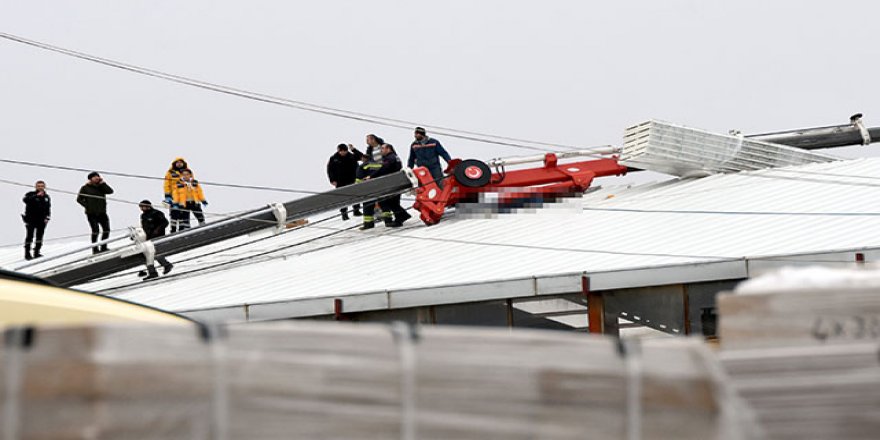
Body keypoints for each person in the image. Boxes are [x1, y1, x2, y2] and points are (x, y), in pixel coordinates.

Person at [369, 144, 412, 227]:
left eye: (382, 148)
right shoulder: (394, 157)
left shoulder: (390, 158)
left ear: (388, 149)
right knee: (393, 202)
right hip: (396, 182)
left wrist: (372, 176)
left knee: (391, 202)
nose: (381, 150)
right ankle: (400, 218)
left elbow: (384, 169)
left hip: (393, 183)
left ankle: (402, 216)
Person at [76, 172, 114, 254]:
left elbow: (110, 191)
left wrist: (103, 183)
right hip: (91, 213)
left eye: (98, 176)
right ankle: (95, 249)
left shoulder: (101, 186)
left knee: (106, 230)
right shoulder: (85, 188)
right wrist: (87, 206)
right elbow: (79, 199)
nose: (97, 178)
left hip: (102, 212)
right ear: (90, 179)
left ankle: (104, 247)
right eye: (94, 177)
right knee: (95, 230)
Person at [137, 200, 174, 281]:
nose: (142, 208)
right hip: (149, 238)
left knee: (155, 253)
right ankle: (153, 272)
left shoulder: (157, 213)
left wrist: (157, 230)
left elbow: (165, 222)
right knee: (148, 255)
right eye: (141, 207)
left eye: (143, 206)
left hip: (158, 237)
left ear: (148, 206)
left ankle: (166, 265)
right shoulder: (143, 216)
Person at [326, 143, 361, 220]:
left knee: (355, 195)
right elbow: (330, 170)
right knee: (342, 197)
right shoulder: (333, 158)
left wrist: (358, 177)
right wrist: (332, 180)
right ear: (338, 150)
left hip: (352, 179)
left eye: (344, 151)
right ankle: (344, 213)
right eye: (341, 151)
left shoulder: (351, 156)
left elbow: (358, 164)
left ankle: (356, 210)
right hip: (340, 181)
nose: (343, 152)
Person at [21, 180, 51, 260]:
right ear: (36, 187)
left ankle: (37, 252)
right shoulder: (30, 194)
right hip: (31, 219)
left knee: (40, 236)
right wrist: (36, 196)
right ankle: (27, 253)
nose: (40, 188)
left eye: (42, 186)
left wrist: (47, 217)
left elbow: (48, 208)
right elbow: (25, 200)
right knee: (29, 236)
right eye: (39, 186)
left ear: (44, 187)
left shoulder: (46, 197)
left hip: (41, 220)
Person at [355, 152, 383, 230]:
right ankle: (388, 220)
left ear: (363, 159)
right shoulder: (379, 165)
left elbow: (359, 180)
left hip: (368, 190)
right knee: (383, 204)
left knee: (367, 207)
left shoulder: (362, 166)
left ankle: (368, 224)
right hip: (380, 188)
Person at [164, 157, 191, 233]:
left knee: (184, 212)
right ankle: (173, 229)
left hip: (185, 196)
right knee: (174, 213)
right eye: (177, 162)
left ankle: (183, 228)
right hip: (174, 196)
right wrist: (167, 196)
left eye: (180, 162)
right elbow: (166, 185)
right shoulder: (170, 173)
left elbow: (192, 183)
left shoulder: (187, 172)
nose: (179, 164)